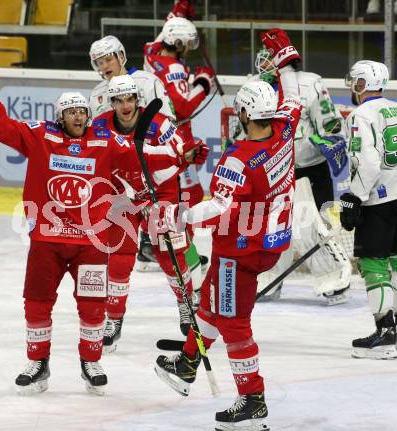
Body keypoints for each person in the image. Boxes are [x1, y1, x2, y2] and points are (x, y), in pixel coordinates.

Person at [0, 66, 199, 395]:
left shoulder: (104, 141)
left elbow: (137, 162)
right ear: (61, 117)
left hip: (90, 242)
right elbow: (2, 128)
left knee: (92, 306)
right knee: (36, 302)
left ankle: (91, 361)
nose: (78, 117)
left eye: (82, 112)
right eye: (71, 112)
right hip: (47, 240)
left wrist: (174, 165)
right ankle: (38, 363)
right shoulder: (41, 136)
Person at [153, 29, 302, 430]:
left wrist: (177, 216)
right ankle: (187, 362)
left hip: (241, 248)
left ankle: (252, 399)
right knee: (209, 301)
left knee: (233, 322)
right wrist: (285, 56)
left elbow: (217, 209)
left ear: (243, 114)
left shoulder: (238, 159)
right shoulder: (285, 132)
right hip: (270, 240)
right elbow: (295, 98)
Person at [93, 74, 209, 350]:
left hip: (161, 192)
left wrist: (152, 185)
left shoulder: (159, 123)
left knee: (170, 253)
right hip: (123, 195)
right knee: (119, 257)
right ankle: (114, 318)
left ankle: (186, 304)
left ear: (137, 99)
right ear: (111, 103)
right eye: (119, 100)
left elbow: (182, 157)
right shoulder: (99, 126)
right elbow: (95, 162)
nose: (125, 105)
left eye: (129, 98)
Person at [89, 34, 206, 280]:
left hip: (153, 169)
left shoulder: (147, 81)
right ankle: (147, 250)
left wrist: (156, 156)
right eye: (98, 62)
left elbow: (166, 124)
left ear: (120, 56)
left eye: (107, 59)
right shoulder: (97, 94)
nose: (104, 66)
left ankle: (193, 278)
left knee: (172, 235)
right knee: (123, 240)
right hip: (122, 176)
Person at [252, 44, 352, 305]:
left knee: (311, 226)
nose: (262, 65)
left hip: (308, 168)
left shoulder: (310, 84)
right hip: (273, 170)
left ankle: (334, 277)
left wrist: (327, 139)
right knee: (271, 225)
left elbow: (331, 123)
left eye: (269, 60)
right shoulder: (256, 87)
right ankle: (269, 277)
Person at [143, 1, 214, 263]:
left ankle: (152, 245)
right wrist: (203, 82)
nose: (188, 49)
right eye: (186, 43)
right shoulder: (173, 69)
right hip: (176, 137)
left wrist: (179, 10)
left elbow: (166, 31)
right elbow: (183, 107)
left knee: (161, 192)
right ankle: (182, 252)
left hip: (157, 135)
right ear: (178, 42)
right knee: (189, 196)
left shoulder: (152, 52)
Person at [341, 60, 397, 360]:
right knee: (395, 260)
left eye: (355, 80)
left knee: (373, 263)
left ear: (362, 84)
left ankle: (386, 333)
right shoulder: (395, 107)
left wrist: (356, 197)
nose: (352, 85)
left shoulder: (361, 114)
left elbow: (368, 162)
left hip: (380, 199)